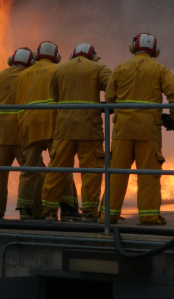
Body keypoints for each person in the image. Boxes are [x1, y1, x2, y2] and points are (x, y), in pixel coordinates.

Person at [99, 33, 174, 225]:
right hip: (148, 131)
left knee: (117, 172)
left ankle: (108, 215)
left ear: (133, 48)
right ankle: (148, 217)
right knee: (148, 174)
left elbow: (110, 97)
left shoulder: (120, 68)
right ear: (154, 51)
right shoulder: (159, 69)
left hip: (122, 130)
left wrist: (117, 109)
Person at [41, 44, 112, 222]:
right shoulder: (98, 68)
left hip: (64, 128)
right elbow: (112, 88)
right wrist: (110, 105)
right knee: (91, 171)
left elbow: (55, 96)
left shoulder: (60, 70)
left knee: (57, 169)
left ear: (73, 55)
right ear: (92, 56)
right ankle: (89, 213)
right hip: (90, 129)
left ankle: (48, 212)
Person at [16, 41, 80, 221]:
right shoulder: (58, 70)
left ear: (36, 55)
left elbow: (20, 105)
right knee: (62, 165)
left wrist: (23, 131)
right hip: (53, 125)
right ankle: (67, 208)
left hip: (30, 126)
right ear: (56, 57)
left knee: (28, 169)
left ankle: (25, 210)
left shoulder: (23, 74)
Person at [0, 48, 34, 219]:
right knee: (32, 170)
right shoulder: (30, 77)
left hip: (3, 135)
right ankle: (31, 210)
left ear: (11, 60)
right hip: (23, 135)